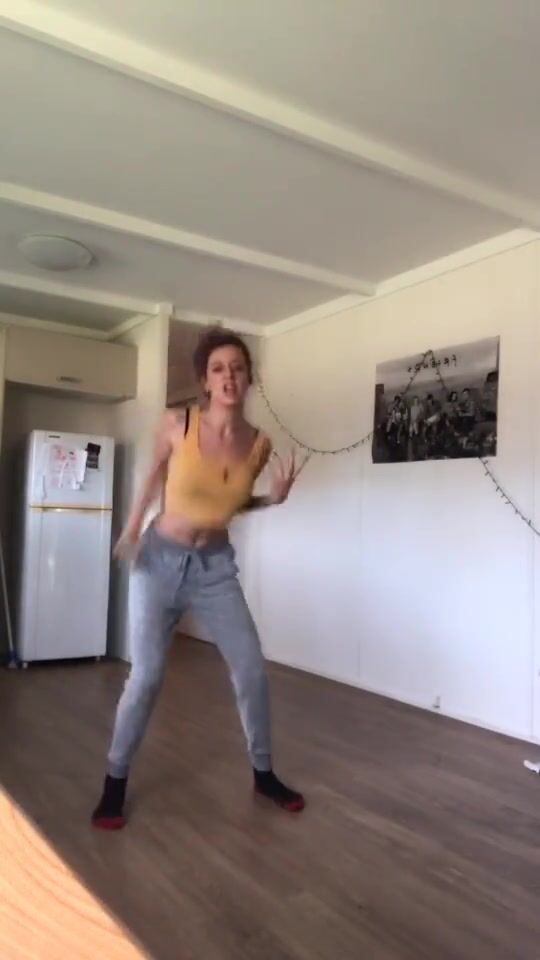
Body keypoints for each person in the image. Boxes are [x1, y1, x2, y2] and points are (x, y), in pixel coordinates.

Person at [92, 328, 305, 830]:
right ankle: (114, 782)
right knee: (147, 675)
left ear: (249, 378)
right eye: (218, 369)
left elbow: (227, 503)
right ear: (205, 381)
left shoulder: (260, 444)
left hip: (215, 570)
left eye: (237, 367)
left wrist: (271, 500)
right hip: (159, 562)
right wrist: (131, 528)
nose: (228, 376)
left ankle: (264, 773)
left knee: (251, 668)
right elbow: (152, 478)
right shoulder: (178, 424)